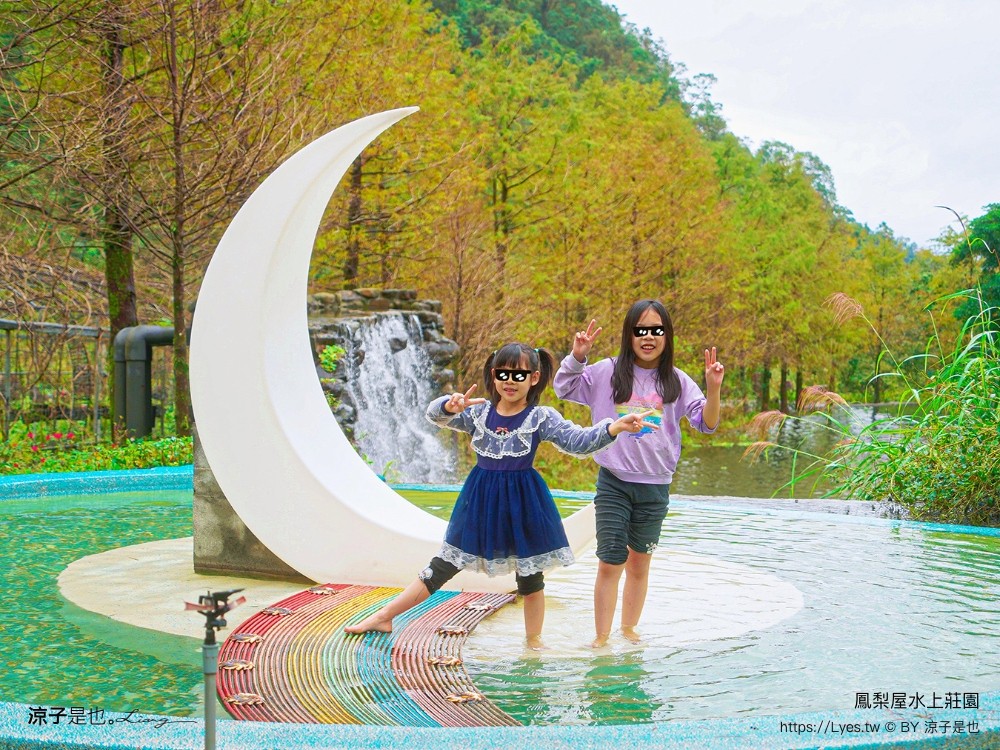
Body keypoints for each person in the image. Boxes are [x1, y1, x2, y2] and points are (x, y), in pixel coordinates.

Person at [344, 342, 655, 649]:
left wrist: (614, 428)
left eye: (519, 375)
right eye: (503, 373)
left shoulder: (540, 417)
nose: (510, 381)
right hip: (480, 503)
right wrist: (449, 406)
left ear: (534, 378)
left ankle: (533, 643)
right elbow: (435, 416)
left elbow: (578, 441)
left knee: (530, 577)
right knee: (443, 565)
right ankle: (384, 616)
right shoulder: (478, 413)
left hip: (525, 504)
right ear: (493, 375)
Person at [553, 299, 724, 648]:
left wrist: (713, 388)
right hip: (614, 482)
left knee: (639, 564)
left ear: (667, 335)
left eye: (656, 330)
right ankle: (601, 637)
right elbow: (564, 387)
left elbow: (707, 424)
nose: (648, 337)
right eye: (641, 330)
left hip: (655, 487)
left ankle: (629, 630)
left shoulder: (677, 381)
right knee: (610, 561)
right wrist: (578, 357)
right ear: (629, 335)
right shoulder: (607, 372)